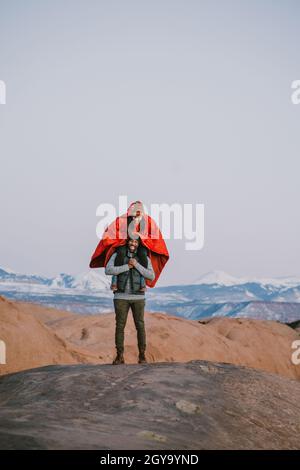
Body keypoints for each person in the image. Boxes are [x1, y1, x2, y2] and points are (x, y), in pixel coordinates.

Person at [105, 237, 155, 365]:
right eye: (131, 241)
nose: (133, 243)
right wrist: (127, 266)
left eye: (136, 241)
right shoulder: (117, 255)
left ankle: (142, 356)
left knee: (140, 326)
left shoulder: (144, 258)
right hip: (120, 296)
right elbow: (108, 270)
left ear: (139, 244)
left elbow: (151, 275)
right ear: (127, 242)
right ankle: (119, 356)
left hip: (138, 296)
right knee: (120, 326)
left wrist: (136, 264)